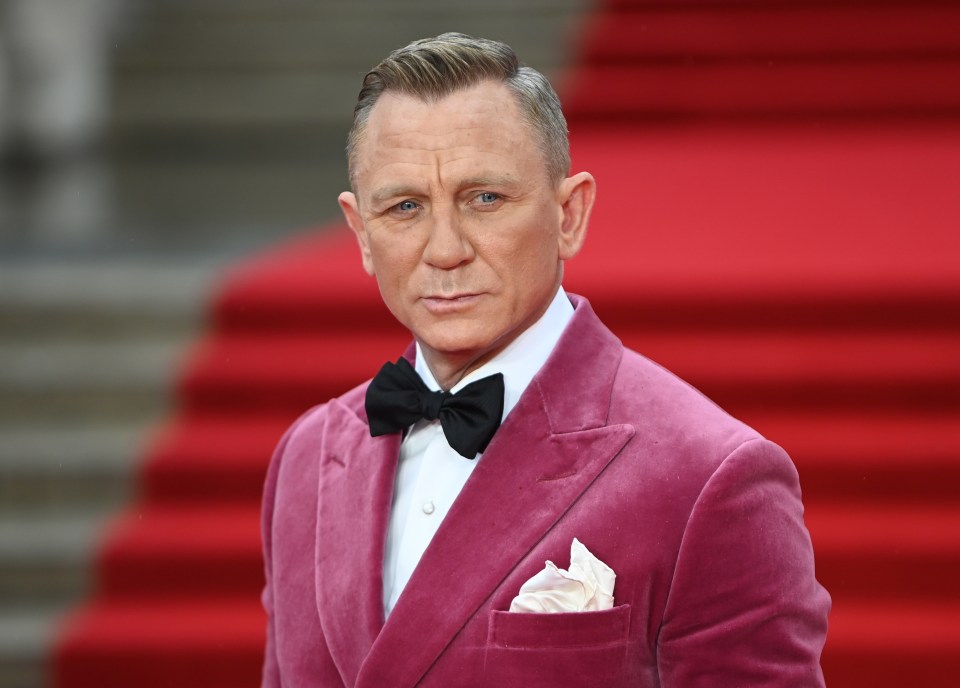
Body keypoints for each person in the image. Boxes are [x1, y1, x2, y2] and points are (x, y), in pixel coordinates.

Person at [260, 33, 830, 687]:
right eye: (406, 207)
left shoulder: (710, 477)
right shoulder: (305, 458)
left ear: (569, 214)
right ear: (361, 234)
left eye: (485, 200)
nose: (445, 250)